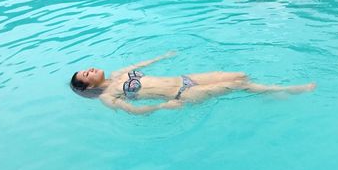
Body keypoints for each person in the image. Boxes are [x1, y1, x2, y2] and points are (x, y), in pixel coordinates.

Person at [70, 51, 316, 115]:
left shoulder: (120, 72)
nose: (89, 70)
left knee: (240, 75)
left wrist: (163, 57)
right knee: (239, 85)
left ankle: (266, 95)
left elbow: (143, 64)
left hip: (185, 79)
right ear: (88, 87)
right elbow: (134, 111)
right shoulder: (107, 96)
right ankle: (285, 90)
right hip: (181, 96)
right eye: (86, 75)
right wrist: (161, 108)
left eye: (86, 69)